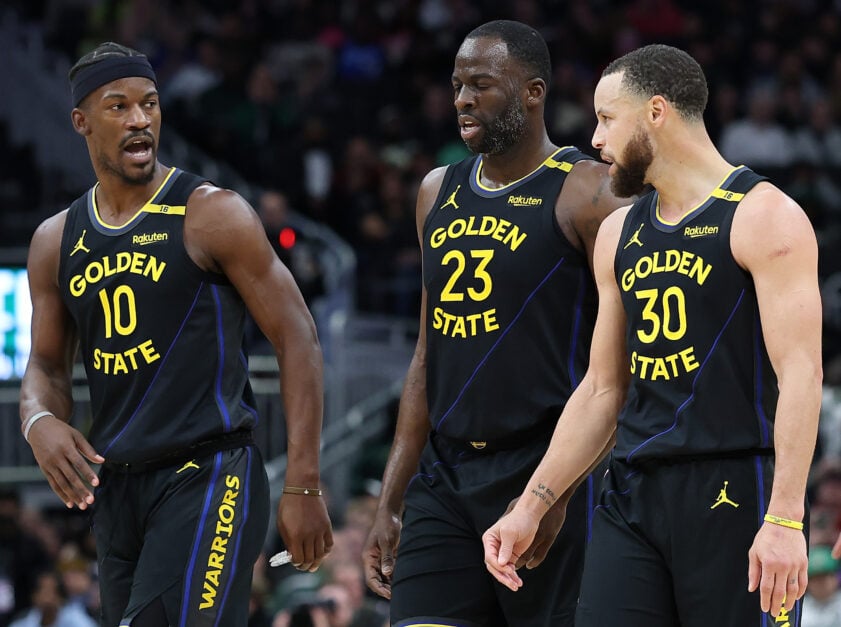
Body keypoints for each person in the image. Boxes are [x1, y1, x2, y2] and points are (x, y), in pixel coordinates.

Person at [482, 44, 823, 626]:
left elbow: (802, 374)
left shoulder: (764, 216)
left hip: (733, 487)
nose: (595, 138)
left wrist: (786, 517)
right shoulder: (619, 232)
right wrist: (530, 506)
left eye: (607, 119)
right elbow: (600, 389)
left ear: (656, 113)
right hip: (632, 492)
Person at [19, 42, 332, 627]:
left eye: (150, 104)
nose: (140, 120)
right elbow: (46, 366)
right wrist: (38, 421)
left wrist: (305, 483)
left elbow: (298, 338)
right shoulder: (54, 241)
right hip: (119, 491)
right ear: (81, 122)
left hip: (209, 473)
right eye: (119, 107)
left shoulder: (211, 213)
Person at [362, 20, 627, 627]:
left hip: (545, 464)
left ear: (533, 92)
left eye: (481, 84)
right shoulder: (437, 190)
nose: (462, 99)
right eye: (457, 85)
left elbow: (623, 366)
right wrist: (391, 499)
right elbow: (428, 357)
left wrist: (558, 488)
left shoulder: (588, 192)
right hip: (447, 475)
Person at [802, 545, 841, 627]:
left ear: (835, 578)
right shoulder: (799, 610)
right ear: (807, 582)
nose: (821, 584)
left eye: (824, 577)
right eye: (816, 578)